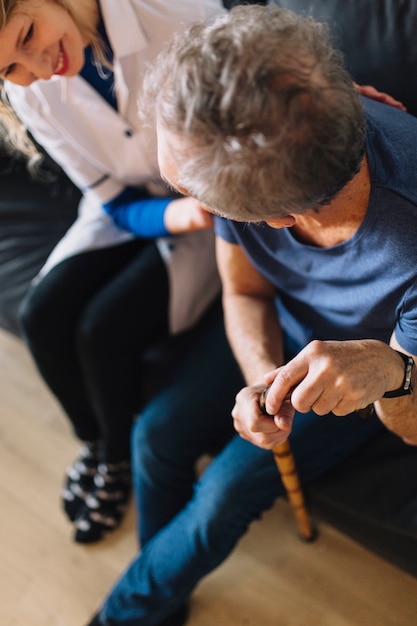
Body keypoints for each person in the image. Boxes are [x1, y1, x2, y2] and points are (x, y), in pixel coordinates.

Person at [83, 4, 417, 625]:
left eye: (191, 196)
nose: (188, 207)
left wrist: (393, 373)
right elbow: (246, 293)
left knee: (223, 494)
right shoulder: (274, 120)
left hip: (370, 372)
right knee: (153, 434)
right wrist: (265, 377)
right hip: (288, 327)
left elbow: (413, 426)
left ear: (277, 220)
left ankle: (122, 617)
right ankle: (162, 601)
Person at [0, 0, 226, 544]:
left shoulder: (177, 14)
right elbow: (112, 200)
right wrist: (172, 215)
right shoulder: (30, 92)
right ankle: (98, 444)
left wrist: (194, 212)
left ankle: (118, 455)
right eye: (8, 67)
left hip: (212, 211)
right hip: (143, 211)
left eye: (27, 34)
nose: (33, 70)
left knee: (103, 329)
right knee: (42, 316)